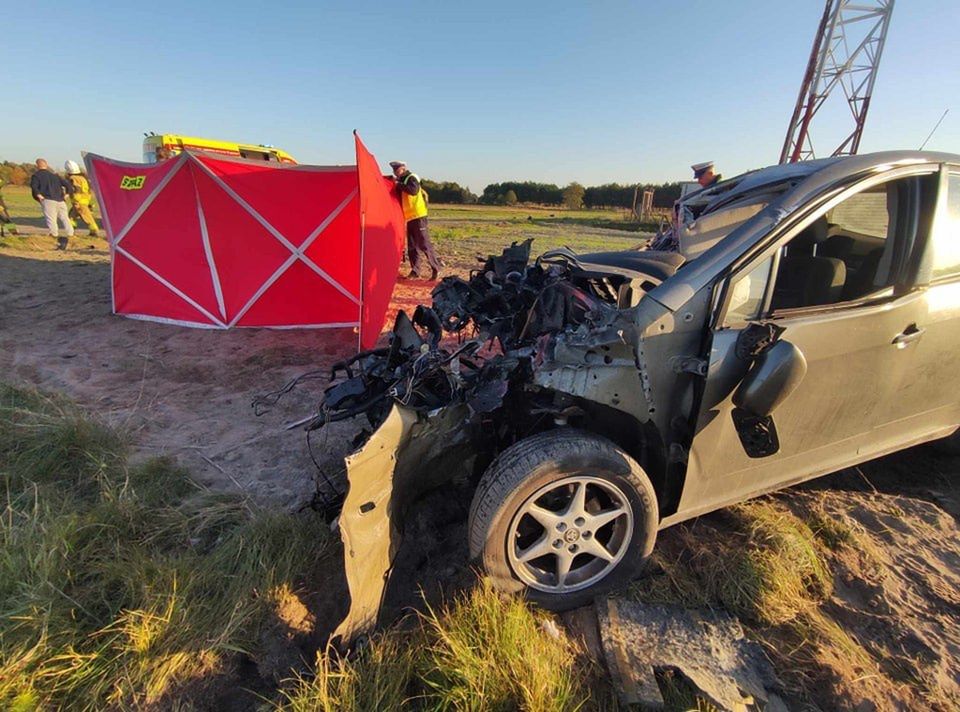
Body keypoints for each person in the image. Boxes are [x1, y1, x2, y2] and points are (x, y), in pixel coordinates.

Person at [390, 160, 440, 280]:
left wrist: (398, 184)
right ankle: (415, 271)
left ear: (403, 168)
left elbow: (413, 191)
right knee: (412, 246)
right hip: (410, 217)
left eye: (396, 170)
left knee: (424, 244)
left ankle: (436, 268)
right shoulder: (401, 181)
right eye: (394, 171)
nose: (395, 173)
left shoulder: (412, 178)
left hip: (418, 216)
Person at [30, 158, 74, 249]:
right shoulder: (55, 175)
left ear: (37, 166)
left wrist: (39, 195)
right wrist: (67, 194)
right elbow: (68, 185)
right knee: (65, 218)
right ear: (46, 165)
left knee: (51, 218)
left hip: (48, 199)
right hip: (60, 200)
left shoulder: (36, 176)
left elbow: (34, 187)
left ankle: (54, 234)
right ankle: (71, 233)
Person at [64, 160, 100, 237]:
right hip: (84, 200)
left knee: (87, 217)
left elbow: (76, 189)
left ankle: (94, 232)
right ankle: (71, 231)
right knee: (71, 217)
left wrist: (75, 199)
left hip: (79, 202)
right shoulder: (83, 178)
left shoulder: (73, 178)